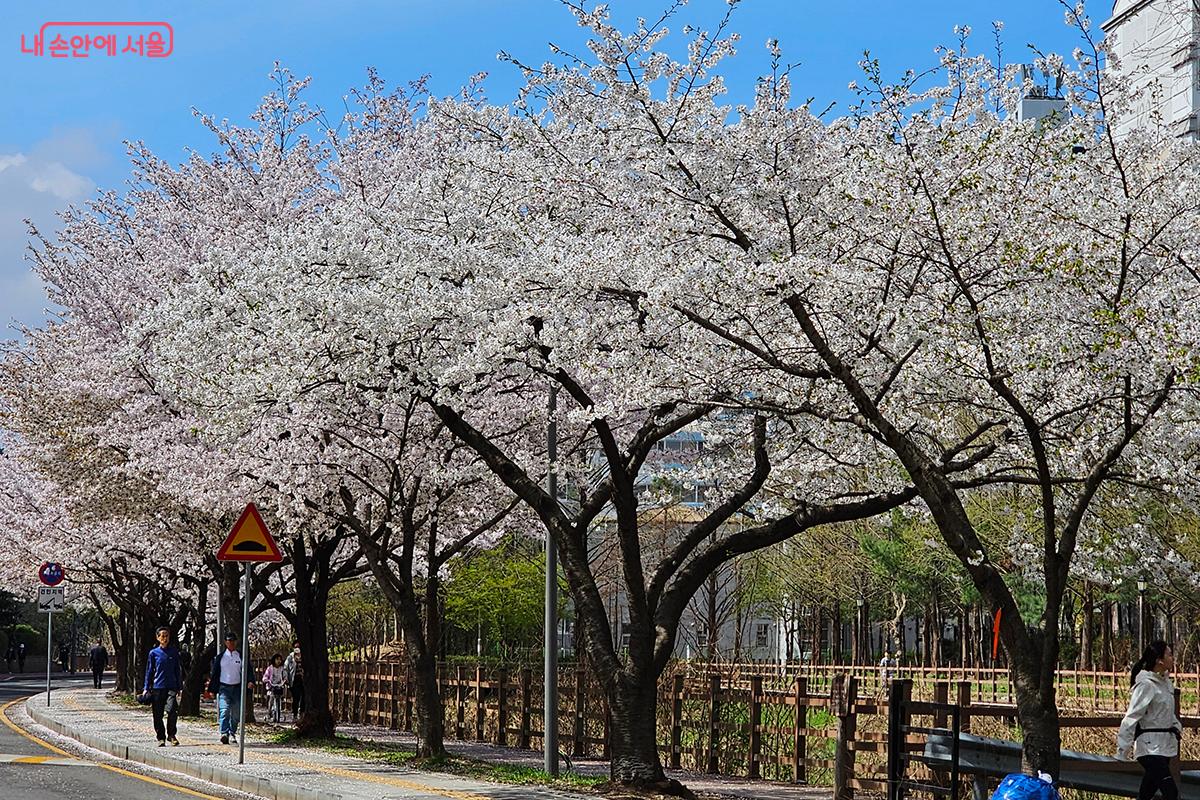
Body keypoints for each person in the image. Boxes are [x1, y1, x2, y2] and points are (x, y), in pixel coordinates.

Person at [1118, 640, 1182, 800]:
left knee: (1146, 794)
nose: (1172, 658)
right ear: (1159, 660)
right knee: (1171, 792)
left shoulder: (1166, 684)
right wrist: (1122, 749)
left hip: (1165, 746)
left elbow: (1166, 713)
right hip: (1149, 748)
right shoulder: (1146, 685)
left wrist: (1176, 726)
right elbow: (1132, 716)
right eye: (1169, 654)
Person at [206, 631, 254, 744]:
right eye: (229, 641)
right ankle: (224, 733)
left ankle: (232, 732)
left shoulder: (241, 656)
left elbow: (248, 670)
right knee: (224, 710)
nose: (231, 643)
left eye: (233, 641)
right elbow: (215, 674)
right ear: (225, 642)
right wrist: (212, 689)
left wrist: (250, 681)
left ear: (236, 642)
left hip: (237, 688)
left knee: (236, 714)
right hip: (224, 688)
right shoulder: (220, 657)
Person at [142, 626, 182, 747]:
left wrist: (179, 687)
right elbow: (149, 671)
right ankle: (161, 737)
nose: (165, 638)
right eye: (162, 636)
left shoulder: (174, 652)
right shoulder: (153, 653)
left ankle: (172, 734)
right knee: (157, 714)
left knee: (172, 710)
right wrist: (146, 688)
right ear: (158, 638)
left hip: (171, 686)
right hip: (158, 687)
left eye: (167, 636)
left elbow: (177, 670)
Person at [283, 640, 305, 721]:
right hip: (294, 680)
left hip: (303, 679)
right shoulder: (290, 657)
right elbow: (285, 668)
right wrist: (286, 678)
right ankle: (295, 715)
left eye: (298, 647)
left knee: (304, 697)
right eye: (295, 647)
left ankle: (302, 714)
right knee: (296, 698)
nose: (297, 648)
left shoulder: (305, 656)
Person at [263, 654, 286, 723]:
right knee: (271, 698)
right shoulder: (270, 668)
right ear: (274, 660)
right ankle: (269, 712)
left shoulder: (282, 668)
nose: (278, 661)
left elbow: (285, 676)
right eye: (277, 659)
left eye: (280, 659)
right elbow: (265, 676)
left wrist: (285, 680)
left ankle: (278, 713)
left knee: (279, 699)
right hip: (271, 686)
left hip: (279, 686)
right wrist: (266, 679)